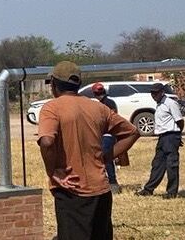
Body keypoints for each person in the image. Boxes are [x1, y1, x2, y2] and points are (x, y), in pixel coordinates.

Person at [37, 62, 139, 240]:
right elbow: (132, 132)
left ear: (54, 84)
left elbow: (46, 142)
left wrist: (52, 172)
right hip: (101, 190)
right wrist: (105, 158)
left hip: (72, 190)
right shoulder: (98, 107)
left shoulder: (52, 108)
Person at [136, 82, 184, 199]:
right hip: (162, 137)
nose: (154, 95)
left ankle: (172, 192)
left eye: (156, 93)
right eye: (152, 93)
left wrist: (177, 136)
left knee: (171, 165)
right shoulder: (159, 104)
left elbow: (180, 121)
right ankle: (149, 189)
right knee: (157, 164)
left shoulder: (170, 103)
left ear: (162, 92)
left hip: (171, 136)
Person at [91, 82, 121, 193]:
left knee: (106, 156)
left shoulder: (108, 103)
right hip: (102, 135)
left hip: (108, 134)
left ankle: (113, 182)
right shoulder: (103, 104)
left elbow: (112, 120)